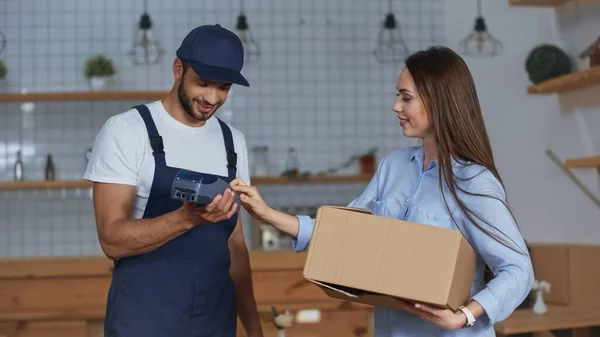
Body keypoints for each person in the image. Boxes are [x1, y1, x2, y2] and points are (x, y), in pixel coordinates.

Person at [230, 46, 534, 337]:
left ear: (438, 102)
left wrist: (464, 316)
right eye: (397, 97)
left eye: (406, 98)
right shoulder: (394, 166)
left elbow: (518, 270)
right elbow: (345, 235)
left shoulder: (473, 181)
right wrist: (268, 214)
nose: (396, 106)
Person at [84, 24, 263, 337]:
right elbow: (111, 238)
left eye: (223, 88)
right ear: (178, 69)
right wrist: (186, 219)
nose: (212, 98)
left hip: (215, 321)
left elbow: (234, 244)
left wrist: (254, 327)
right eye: (203, 83)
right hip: (144, 320)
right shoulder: (127, 131)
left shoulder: (232, 142)